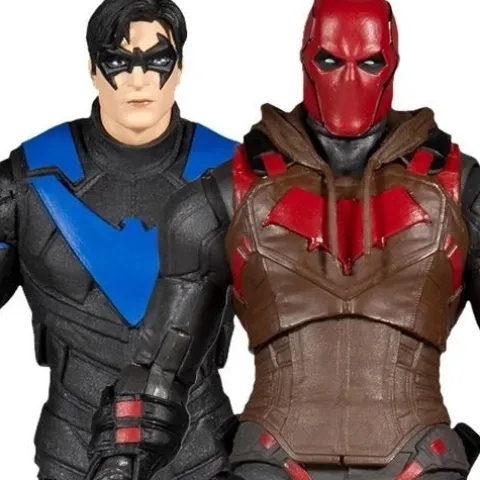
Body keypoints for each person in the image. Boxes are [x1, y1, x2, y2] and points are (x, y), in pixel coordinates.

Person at [87, 0, 480, 479]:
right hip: (271, 461)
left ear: (392, 63)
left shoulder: (461, 189)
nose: (349, 79)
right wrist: (119, 464)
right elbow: (160, 367)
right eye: (330, 60)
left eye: (369, 62)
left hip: (419, 461)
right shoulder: (226, 194)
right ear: (306, 59)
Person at [0, 0, 238, 479]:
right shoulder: (28, 181)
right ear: (92, 69)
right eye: (118, 61)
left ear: (180, 68)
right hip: (75, 455)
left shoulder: (236, 178)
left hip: (202, 455)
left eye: (157, 60)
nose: (138, 79)